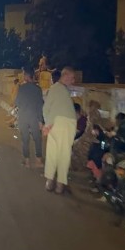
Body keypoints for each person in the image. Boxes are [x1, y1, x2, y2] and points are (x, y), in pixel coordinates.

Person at [42, 67, 77, 195]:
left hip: (58, 124)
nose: (73, 81)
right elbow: (47, 109)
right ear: (65, 75)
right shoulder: (58, 88)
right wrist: (48, 125)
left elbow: (47, 108)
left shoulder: (58, 89)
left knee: (53, 153)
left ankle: (50, 181)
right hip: (64, 124)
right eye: (72, 78)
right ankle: (59, 185)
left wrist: (47, 124)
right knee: (64, 154)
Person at [14, 68, 45, 168]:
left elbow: (17, 102)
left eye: (24, 75)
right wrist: (40, 120)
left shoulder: (21, 88)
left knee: (25, 139)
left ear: (27, 76)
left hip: (23, 116)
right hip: (34, 117)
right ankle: (38, 161)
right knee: (37, 139)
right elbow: (40, 105)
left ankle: (27, 161)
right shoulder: (38, 89)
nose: (23, 77)